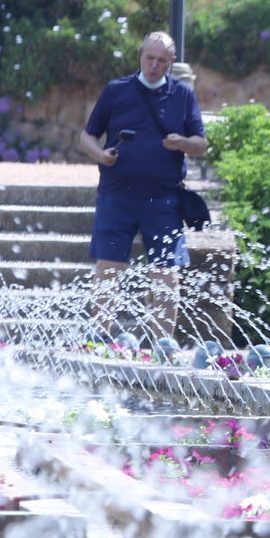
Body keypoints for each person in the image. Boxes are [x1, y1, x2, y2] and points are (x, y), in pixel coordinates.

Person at [79, 32, 208, 334]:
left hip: (163, 199)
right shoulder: (116, 91)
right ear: (140, 56)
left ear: (171, 62)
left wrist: (183, 143)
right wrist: (101, 155)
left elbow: (201, 144)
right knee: (108, 268)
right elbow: (87, 136)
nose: (154, 65)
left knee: (166, 275)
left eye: (161, 60)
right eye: (149, 58)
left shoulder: (183, 95)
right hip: (116, 196)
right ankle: (99, 339)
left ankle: (163, 347)